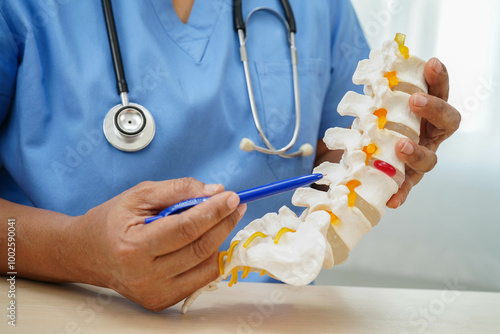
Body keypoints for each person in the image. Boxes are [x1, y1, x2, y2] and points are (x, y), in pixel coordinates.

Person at [0, 0, 460, 311]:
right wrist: (77, 253)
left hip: (270, 316)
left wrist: (390, 149)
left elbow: (333, 158)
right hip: (59, 311)